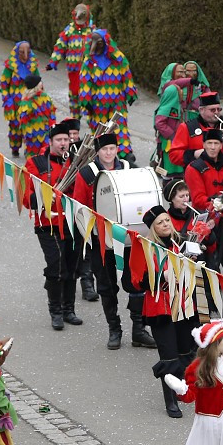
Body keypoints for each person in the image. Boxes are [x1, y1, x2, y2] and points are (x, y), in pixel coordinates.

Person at [71, 133, 156, 351]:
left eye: (112, 149)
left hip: (129, 236)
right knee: (107, 285)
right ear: (97, 151)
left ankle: (138, 329)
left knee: (136, 281)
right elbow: (79, 207)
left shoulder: (129, 167)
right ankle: (114, 330)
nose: (109, 153)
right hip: (102, 239)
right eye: (104, 149)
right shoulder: (87, 174)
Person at [126, 204, 200, 417]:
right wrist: (159, 278)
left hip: (183, 305)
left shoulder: (180, 242)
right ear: (153, 228)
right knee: (169, 357)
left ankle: (183, 392)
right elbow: (133, 282)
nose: (166, 224)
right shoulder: (145, 247)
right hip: (161, 309)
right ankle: (171, 401)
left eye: (167, 220)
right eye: (160, 222)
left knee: (186, 353)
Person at [25, 120, 81, 330]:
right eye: (59, 139)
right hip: (48, 224)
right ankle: (55, 311)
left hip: (73, 221)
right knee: (57, 264)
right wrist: (43, 198)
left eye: (66, 139)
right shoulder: (36, 162)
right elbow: (26, 194)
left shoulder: (76, 160)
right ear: (51, 142)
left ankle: (69, 310)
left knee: (72, 265)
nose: (63, 143)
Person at [185, 128, 223, 293]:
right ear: (203, 145)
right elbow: (198, 200)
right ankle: (211, 298)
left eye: (216, 143)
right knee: (211, 262)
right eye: (209, 143)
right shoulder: (194, 168)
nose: (212, 147)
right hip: (207, 223)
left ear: (221, 145)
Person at [78, 29, 137, 161]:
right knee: (99, 128)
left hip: (117, 101)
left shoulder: (118, 58)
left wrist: (130, 92)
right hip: (97, 104)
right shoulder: (89, 62)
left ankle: (124, 152)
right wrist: (86, 101)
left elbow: (126, 76)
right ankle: (99, 153)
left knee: (119, 125)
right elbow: (85, 82)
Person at [168, 91, 223, 175]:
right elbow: (174, 155)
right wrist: (194, 154)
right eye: (212, 110)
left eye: (219, 109)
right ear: (201, 110)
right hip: (198, 176)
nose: (216, 112)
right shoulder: (187, 127)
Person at [47, 3, 93, 118]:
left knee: (90, 93)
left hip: (89, 70)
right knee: (74, 93)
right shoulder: (69, 31)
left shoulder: (92, 32)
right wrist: (53, 62)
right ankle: (75, 116)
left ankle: (92, 117)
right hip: (73, 69)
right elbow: (60, 47)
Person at [0, 41, 40, 157]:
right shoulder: (10, 66)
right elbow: (4, 84)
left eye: (27, 52)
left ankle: (30, 149)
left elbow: (38, 82)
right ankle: (15, 147)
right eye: (22, 53)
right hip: (15, 103)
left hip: (30, 101)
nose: (25, 56)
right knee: (15, 126)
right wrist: (7, 100)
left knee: (30, 126)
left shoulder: (33, 64)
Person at [17, 73, 57, 158]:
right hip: (34, 137)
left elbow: (51, 112)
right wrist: (29, 135)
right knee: (35, 158)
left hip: (45, 133)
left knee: (45, 156)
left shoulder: (44, 97)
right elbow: (24, 121)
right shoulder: (27, 102)